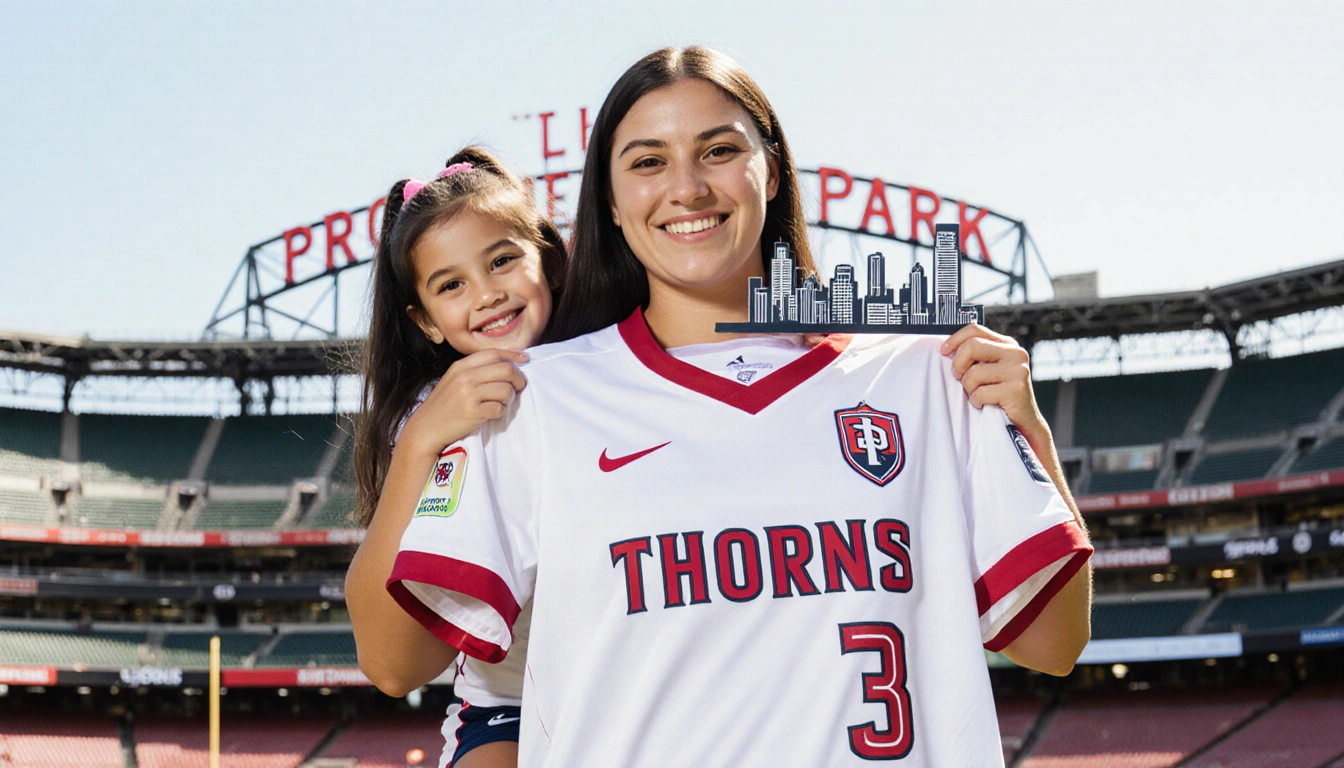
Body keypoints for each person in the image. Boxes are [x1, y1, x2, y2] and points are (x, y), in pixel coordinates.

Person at [388, 47, 1092, 767]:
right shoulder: (528, 399)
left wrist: (1026, 431)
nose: (687, 187)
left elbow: (1054, 645)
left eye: (719, 149)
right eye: (648, 161)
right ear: (609, 201)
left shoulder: (928, 376)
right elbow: (396, 663)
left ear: (773, 168)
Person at [344, 146, 565, 768]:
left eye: (502, 261)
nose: (487, 294)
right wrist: (420, 441)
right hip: (509, 703)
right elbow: (392, 666)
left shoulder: (615, 362)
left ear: (546, 259)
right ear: (426, 321)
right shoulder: (435, 414)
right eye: (451, 285)